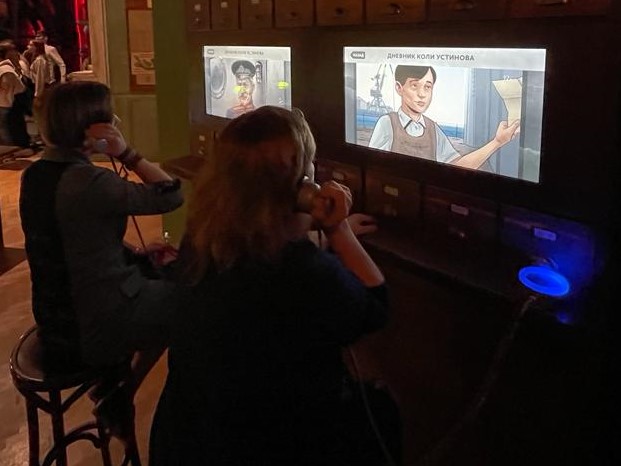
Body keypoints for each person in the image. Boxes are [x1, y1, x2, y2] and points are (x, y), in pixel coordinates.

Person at [149, 106, 400, 465]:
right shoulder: (304, 271)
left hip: (185, 442)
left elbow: (259, 261)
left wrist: (314, 237)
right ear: (301, 188)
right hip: (271, 447)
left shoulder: (201, 240)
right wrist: (338, 229)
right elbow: (375, 305)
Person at [19, 81, 184, 437]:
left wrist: (132, 252)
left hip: (58, 320)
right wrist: (127, 153)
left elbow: (69, 239)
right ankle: (126, 395)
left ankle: (117, 390)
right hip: (92, 328)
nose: (116, 122)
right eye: (110, 118)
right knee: (189, 302)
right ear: (93, 127)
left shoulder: (35, 174)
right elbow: (171, 195)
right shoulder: (89, 181)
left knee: (163, 285)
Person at [368, 65, 520, 170]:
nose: (422, 94)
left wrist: (498, 141)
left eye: (427, 87)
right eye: (414, 85)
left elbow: (458, 166)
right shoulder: (387, 123)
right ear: (399, 88)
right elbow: (373, 168)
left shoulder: (433, 129)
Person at [0, 40, 25, 145]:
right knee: (5, 131)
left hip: (5, 105)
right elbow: (19, 88)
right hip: (6, 104)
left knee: (5, 131)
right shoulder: (7, 70)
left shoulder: (6, 69)